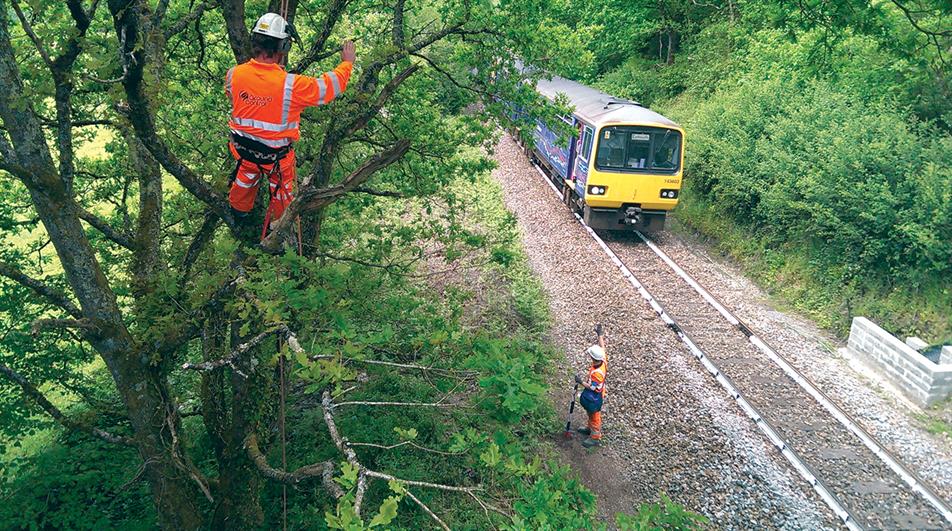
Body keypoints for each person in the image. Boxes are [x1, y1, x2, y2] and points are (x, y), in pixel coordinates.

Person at [225, 12, 356, 228]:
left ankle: (239, 212)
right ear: (283, 48)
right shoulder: (292, 85)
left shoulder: (234, 74)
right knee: (282, 192)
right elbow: (329, 88)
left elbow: (234, 97)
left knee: (245, 178)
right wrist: (346, 64)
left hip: (243, 150)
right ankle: (279, 228)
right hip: (276, 158)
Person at [575, 324, 607, 448]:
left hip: (595, 395)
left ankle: (595, 437)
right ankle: (589, 428)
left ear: (593, 358)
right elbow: (603, 348)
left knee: (595, 415)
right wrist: (600, 334)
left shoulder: (597, 374)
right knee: (590, 412)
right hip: (597, 392)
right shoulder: (603, 360)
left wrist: (581, 382)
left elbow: (595, 388)